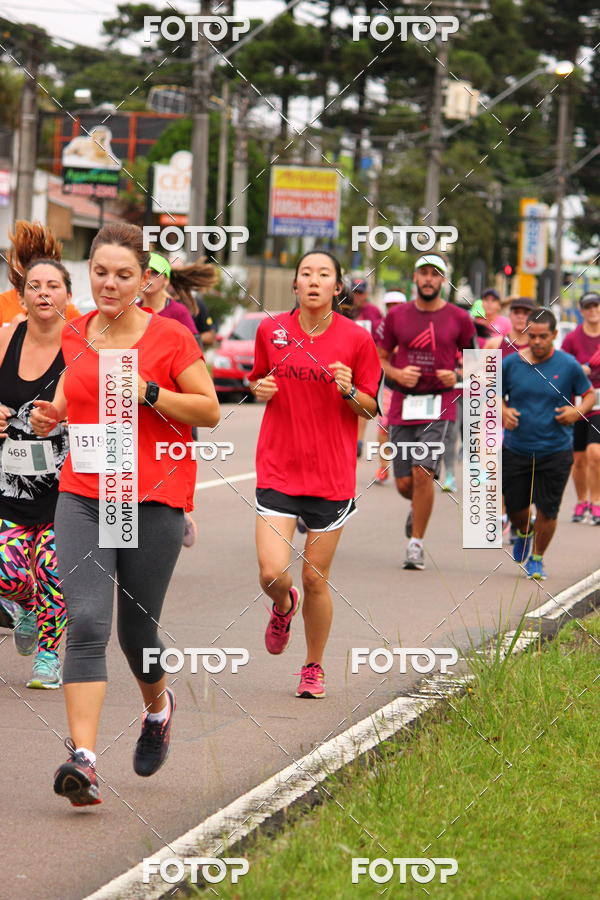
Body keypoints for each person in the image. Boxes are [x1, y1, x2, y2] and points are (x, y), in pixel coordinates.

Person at [31, 223, 220, 807]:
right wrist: (52, 415)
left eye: (123, 274)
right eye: (100, 272)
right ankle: (84, 760)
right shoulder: (76, 331)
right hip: (84, 494)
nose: (109, 283)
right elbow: (74, 394)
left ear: (144, 281)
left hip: (151, 499)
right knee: (87, 621)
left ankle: (158, 708)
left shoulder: (170, 338)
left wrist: (150, 392)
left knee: (137, 633)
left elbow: (209, 410)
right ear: (88, 272)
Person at [249, 251, 382, 699]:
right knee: (272, 573)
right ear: (295, 284)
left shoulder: (357, 340)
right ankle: (283, 605)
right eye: (306, 273)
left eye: (323, 274)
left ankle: (313, 665)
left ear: (337, 288)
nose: (313, 280)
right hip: (279, 468)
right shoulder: (271, 330)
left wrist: (348, 390)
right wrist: (258, 388)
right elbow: (257, 379)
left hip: (330, 476)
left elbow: (370, 407)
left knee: (314, 578)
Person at [0, 221, 70, 689]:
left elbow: (104, 407)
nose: (43, 293)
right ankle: (24, 604)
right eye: (34, 286)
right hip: (7, 482)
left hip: (64, 488)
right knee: (7, 575)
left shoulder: (83, 343)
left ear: (68, 294)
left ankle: (48, 656)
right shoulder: (7, 336)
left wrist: (64, 419)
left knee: (52, 571)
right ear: (21, 296)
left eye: (53, 285)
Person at [379, 254, 476, 569]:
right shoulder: (397, 316)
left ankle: (416, 545)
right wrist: (396, 373)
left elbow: (477, 362)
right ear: (415, 278)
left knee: (423, 473)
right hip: (403, 403)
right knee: (404, 483)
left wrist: (457, 375)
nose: (429, 279)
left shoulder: (460, 318)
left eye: (435, 274)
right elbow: (379, 357)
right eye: (424, 273)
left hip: (440, 404)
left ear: (443, 281)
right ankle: (417, 508)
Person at [502, 308, 595, 580]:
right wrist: (503, 410)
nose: (537, 341)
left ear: (554, 334)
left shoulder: (568, 365)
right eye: (532, 336)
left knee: (548, 509)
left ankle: (537, 559)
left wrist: (577, 411)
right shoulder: (512, 363)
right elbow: (491, 393)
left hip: (555, 450)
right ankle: (524, 531)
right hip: (517, 448)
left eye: (543, 336)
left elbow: (589, 394)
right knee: (516, 508)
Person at [141, 252, 217, 548]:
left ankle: (180, 511)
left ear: (166, 281)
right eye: (145, 273)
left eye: (155, 274)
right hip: (140, 403)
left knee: (176, 461)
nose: (148, 279)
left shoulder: (180, 313)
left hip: (176, 403)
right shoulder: (133, 311)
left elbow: (192, 357)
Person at [561, 292, 600, 524]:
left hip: (599, 403)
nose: (593, 310)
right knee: (579, 459)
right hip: (578, 403)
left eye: (596, 305)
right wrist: (578, 370)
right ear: (581, 310)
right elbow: (561, 367)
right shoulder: (572, 338)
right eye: (588, 306)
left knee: (595, 453)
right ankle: (581, 500)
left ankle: (596, 502)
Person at [374, 291, 407, 484]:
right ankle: (383, 467)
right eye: (389, 305)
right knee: (384, 426)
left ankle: (409, 467)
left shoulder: (413, 326)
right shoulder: (381, 328)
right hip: (387, 384)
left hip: (410, 388)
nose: (393, 309)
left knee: (407, 428)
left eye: (397, 304)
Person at [351, 279, 383, 458]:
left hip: (366, 362)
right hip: (346, 361)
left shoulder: (373, 312)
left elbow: (381, 337)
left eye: (360, 293)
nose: (357, 297)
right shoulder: (344, 309)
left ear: (366, 294)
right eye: (355, 292)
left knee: (362, 399)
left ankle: (359, 440)